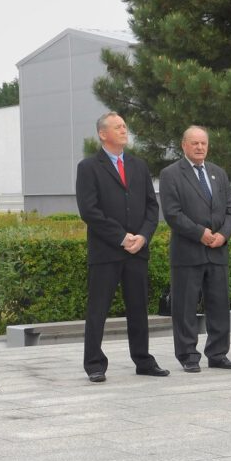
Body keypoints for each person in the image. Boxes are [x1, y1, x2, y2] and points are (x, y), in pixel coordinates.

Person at [75, 112, 168, 383]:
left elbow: (152, 206)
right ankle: (94, 363)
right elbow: (89, 211)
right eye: (118, 127)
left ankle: (143, 360)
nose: (124, 130)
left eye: (125, 126)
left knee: (138, 308)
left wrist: (143, 236)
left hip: (137, 250)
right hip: (106, 251)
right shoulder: (89, 167)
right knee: (98, 309)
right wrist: (121, 237)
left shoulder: (139, 166)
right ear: (103, 134)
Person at [159, 126, 231, 373]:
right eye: (194, 143)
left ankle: (217, 353)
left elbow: (230, 210)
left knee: (219, 304)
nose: (200, 147)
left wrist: (223, 235)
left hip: (217, 250)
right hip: (188, 251)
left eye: (203, 143)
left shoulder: (218, 173)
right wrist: (200, 233)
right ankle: (188, 355)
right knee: (185, 306)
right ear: (183, 145)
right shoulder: (171, 174)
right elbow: (172, 214)